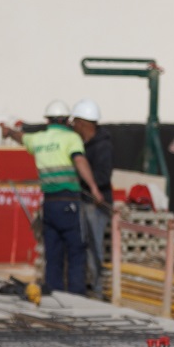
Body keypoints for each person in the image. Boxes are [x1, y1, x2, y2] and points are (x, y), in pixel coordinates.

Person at [13, 107, 104, 294]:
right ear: (65, 120)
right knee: (76, 250)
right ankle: (76, 294)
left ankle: (54, 291)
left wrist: (7, 132)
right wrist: (94, 187)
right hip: (69, 202)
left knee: (53, 252)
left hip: (49, 204)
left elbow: (21, 137)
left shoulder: (38, 138)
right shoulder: (71, 138)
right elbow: (79, 160)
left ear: (48, 120)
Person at [69, 99, 113, 296]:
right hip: (83, 201)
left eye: (76, 122)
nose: (73, 126)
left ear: (84, 123)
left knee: (95, 246)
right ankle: (85, 285)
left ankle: (97, 289)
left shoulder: (103, 146)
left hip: (96, 206)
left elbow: (103, 176)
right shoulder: (81, 143)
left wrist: (83, 178)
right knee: (82, 245)